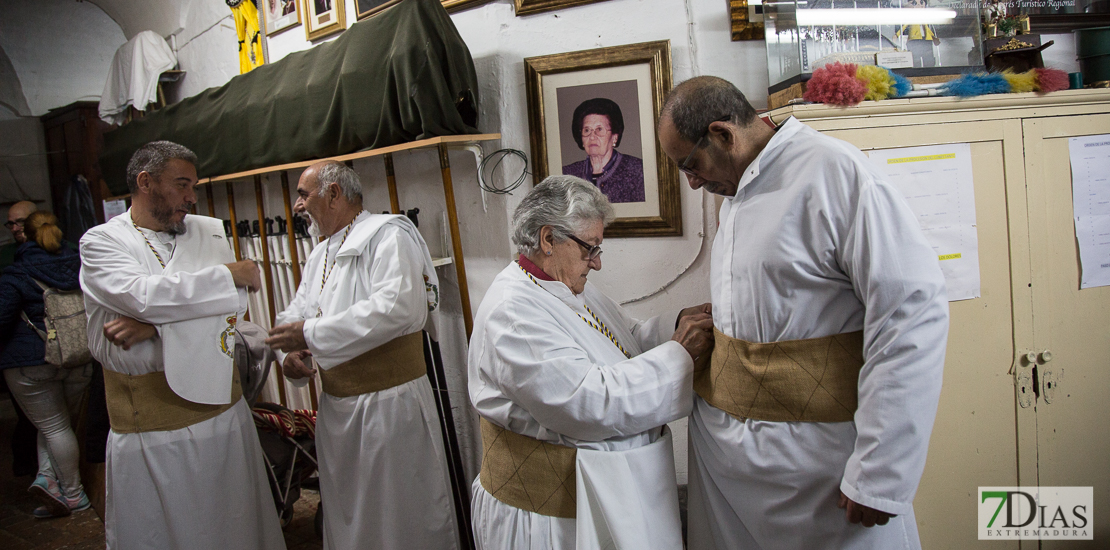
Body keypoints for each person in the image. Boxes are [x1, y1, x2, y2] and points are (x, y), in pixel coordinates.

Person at [657, 76, 949, 549]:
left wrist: (881, 471)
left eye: (690, 164)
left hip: (816, 468)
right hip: (732, 468)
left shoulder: (835, 174)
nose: (692, 182)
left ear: (724, 134)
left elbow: (910, 312)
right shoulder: (733, 193)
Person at [468, 175, 714, 549]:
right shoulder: (513, 313)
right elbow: (587, 402)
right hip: (548, 516)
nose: (596, 264)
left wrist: (677, 325)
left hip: (603, 494)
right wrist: (680, 355)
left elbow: (624, 339)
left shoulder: (562, 285)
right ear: (549, 239)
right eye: (590, 249)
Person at [79, 141, 286, 549]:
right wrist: (226, 276)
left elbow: (236, 308)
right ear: (145, 182)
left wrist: (156, 328)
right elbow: (142, 296)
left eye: (193, 185)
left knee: (235, 524)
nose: (192, 196)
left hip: (225, 415)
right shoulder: (102, 242)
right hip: (154, 430)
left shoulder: (205, 231)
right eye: (181, 184)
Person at [266, 161, 460, 550]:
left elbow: (399, 308)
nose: (297, 205)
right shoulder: (321, 252)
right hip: (339, 409)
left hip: (390, 406)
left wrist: (309, 333)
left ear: (334, 193)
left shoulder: (388, 236)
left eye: (304, 194)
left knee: (400, 514)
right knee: (351, 516)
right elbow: (300, 309)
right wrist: (291, 352)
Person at [0, 211, 93, 518]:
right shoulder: (80, 264)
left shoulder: (15, 274)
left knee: (53, 426)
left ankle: (73, 494)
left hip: (32, 363)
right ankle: (48, 480)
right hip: (78, 357)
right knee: (56, 423)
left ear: (24, 235)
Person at [2, 200, 42, 479]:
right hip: (25, 351)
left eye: (20, 222)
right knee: (39, 422)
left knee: (52, 424)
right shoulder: (6, 257)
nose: (15, 228)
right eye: (10, 223)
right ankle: (30, 470)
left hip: (48, 349)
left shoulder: (61, 250)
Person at [562, 98, 646, 203]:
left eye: (599, 129)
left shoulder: (638, 171)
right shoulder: (566, 175)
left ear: (614, 137)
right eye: (587, 130)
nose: (592, 137)